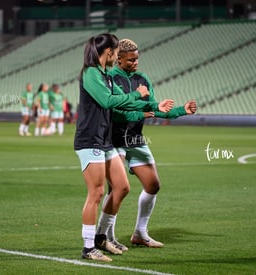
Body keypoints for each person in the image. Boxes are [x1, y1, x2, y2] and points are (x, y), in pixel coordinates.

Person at [74, 33, 173, 262]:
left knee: (122, 187)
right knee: (97, 192)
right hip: (90, 139)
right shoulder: (90, 73)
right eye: (117, 51)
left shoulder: (105, 73)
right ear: (109, 52)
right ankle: (88, 247)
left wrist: (153, 105)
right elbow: (108, 101)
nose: (118, 55)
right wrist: (134, 95)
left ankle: (100, 237)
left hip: (105, 139)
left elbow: (124, 99)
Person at [98, 38, 197, 251]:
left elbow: (155, 107)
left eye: (137, 59)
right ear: (119, 59)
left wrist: (181, 110)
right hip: (114, 139)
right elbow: (114, 111)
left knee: (153, 185)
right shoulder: (110, 78)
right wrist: (143, 110)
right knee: (116, 188)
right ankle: (106, 237)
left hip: (135, 139)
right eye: (130, 60)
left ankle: (140, 233)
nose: (135, 63)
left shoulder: (143, 79)